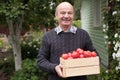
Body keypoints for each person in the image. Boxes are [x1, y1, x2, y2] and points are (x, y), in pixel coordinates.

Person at [37, 1, 98, 80]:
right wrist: (54, 67)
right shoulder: (48, 36)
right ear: (56, 15)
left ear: (73, 15)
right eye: (62, 13)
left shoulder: (83, 34)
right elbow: (41, 61)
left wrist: (88, 64)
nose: (66, 16)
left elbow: (95, 55)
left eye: (70, 13)